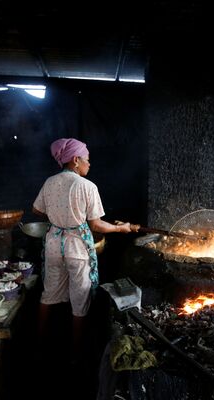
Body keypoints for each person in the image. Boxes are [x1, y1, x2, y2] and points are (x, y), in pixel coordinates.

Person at [32, 137, 136, 366]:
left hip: (53, 244)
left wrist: (58, 218)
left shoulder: (50, 182)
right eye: (87, 160)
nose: (90, 164)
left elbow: (36, 209)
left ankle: (39, 345)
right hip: (76, 248)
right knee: (80, 300)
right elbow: (97, 225)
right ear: (76, 160)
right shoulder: (86, 186)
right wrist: (122, 228)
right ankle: (76, 354)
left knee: (49, 294)